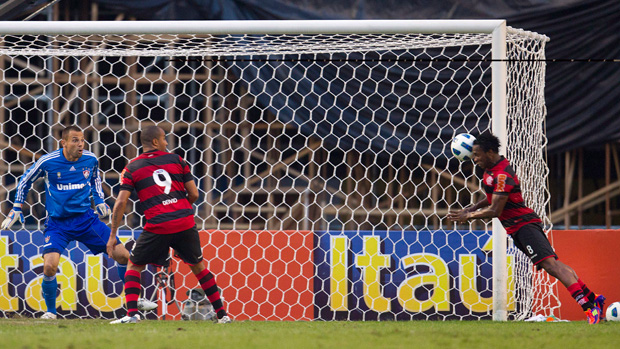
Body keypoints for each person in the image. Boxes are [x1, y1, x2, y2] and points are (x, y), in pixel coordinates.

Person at [447, 132, 605, 324]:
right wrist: (471, 208)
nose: (475, 159)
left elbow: (496, 209)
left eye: (478, 154)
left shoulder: (503, 174)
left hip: (525, 226)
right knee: (554, 264)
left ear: (490, 151)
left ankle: (589, 309)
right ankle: (593, 299)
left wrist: (469, 216)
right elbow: (491, 197)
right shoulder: (490, 171)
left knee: (551, 266)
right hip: (516, 229)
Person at [0, 126, 157, 319]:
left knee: (123, 255)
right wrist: (16, 206)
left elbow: (95, 181)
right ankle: (50, 312)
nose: (80, 144)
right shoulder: (48, 161)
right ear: (63, 143)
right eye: (75, 140)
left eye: (82, 140)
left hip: (86, 220)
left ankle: (135, 300)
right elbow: (25, 180)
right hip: (58, 224)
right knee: (49, 266)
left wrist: (99, 200)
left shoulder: (90, 159)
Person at [107, 125, 231, 324]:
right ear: (155, 142)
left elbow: (121, 202)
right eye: (164, 138)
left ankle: (132, 315)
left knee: (134, 266)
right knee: (199, 268)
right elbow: (194, 194)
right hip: (185, 221)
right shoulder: (178, 160)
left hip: (158, 224)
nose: (166, 142)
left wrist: (113, 234)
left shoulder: (132, 167)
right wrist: (178, 209)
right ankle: (223, 315)